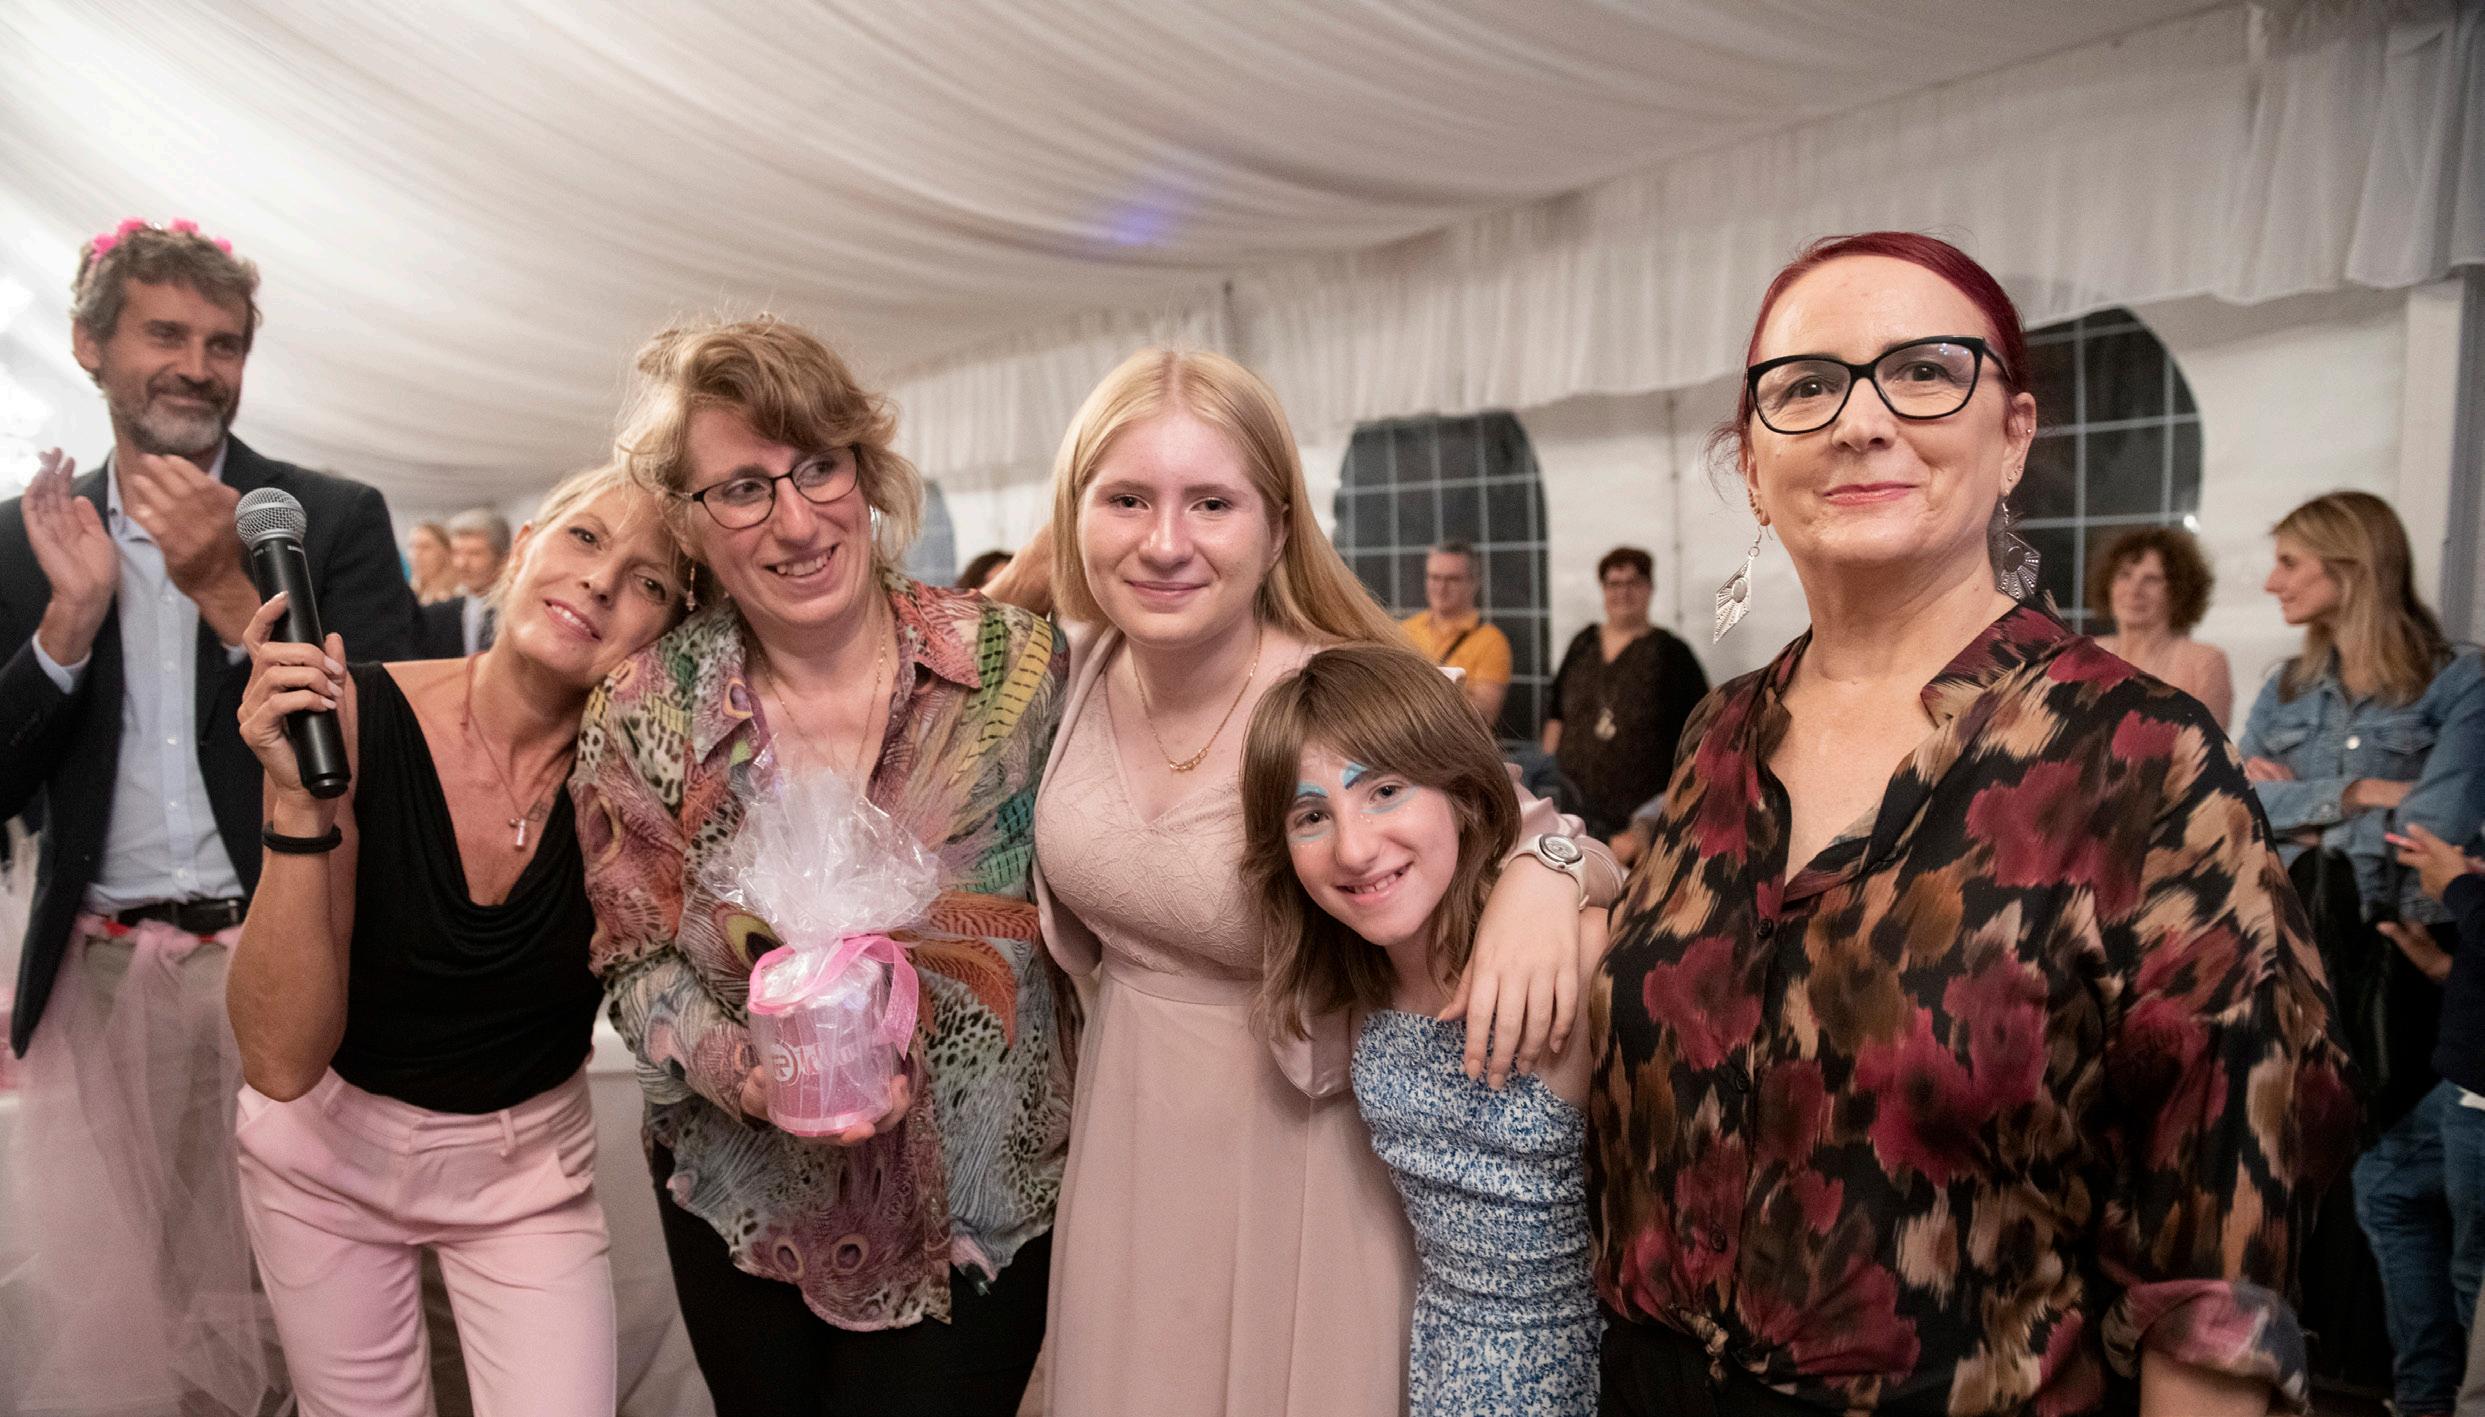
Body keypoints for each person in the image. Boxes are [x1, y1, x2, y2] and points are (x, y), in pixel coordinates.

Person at [1590, 231, 2354, 1416]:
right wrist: (1545, 865)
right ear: (1751, 464)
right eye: (1806, 385)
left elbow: (2213, 1268)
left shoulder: (2137, 756)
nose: (1860, 421)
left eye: (1924, 371)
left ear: (2013, 436)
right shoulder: (1716, 735)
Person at [1020, 347, 1621, 1416]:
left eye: (1212, 502)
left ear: (1278, 528)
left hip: (1308, 1153)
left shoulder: (1340, 691)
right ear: (1073, 515)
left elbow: (1546, 833)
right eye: (1126, 499)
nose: (1165, 542)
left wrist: (1546, 872)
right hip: (1125, 1138)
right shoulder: (1075, 668)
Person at [575, 316, 1068, 1416]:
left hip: (980, 1204)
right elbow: (634, 960)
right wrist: (742, 1073)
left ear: (864, 469)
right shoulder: (646, 711)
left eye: (818, 468)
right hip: (750, 1210)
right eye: (743, 489)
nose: (796, 522)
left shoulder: (1014, 669)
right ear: (689, 520)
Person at [0, 218, 420, 1417]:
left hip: (285, 951)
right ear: (90, 344)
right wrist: (65, 631)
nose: (197, 366)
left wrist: (224, 586)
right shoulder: (21, 538)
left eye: (223, 343)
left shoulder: (327, 515)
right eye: (166, 334)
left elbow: (388, 754)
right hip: (103, 982)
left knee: (320, 1282)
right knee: (152, 1298)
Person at [225, 462, 692, 1416]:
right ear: (523, 552)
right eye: (585, 537)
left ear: (668, 632)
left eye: (649, 580)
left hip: (526, 1176)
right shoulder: (346, 717)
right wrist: (295, 800)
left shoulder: (649, 789)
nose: (602, 580)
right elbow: (279, 1060)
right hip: (323, 1164)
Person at [1242, 643, 1605, 1417]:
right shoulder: (1348, 978)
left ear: (1465, 792)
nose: (1352, 847)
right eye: (1311, 815)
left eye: (1384, 790)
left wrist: (1557, 869)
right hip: (1439, 1365)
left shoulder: (1568, 954)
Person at [2238, 490, 2485, 1417]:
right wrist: (2355, 794)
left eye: (2290, 562)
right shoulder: (2287, 685)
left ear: (2349, 567)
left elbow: (2435, 828)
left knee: (2432, 1204)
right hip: (2302, 954)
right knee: (2352, 1183)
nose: (2272, 582)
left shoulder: (2457, 681)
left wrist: (2301, 798)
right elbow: (2231, 806)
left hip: (2413, 962)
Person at [1541, 547, 1709, 842]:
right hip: (1569, 813)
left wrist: (1651, 823)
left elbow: (1701, 741)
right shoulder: (1583, 643)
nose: (1623, 592)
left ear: (1649, 588)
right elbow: (1556, 717)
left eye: (1633, 583)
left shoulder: (1672, 653)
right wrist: (1546, 784)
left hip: (1638, 826)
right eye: (1614, 584)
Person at [2090, 525, 2233, 726]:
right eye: (2124, 575)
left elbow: (2208, 743)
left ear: (2178, 591)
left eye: (2151, 579)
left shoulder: (2204, 663)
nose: (2134, 590)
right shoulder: (2086, 654)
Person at [1401, 539, 1514, 728]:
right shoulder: (1406, 629)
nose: (1441, 588)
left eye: (1452, 579)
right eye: (1434, 577)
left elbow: (1483, 717)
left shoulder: (1492, 641)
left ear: (1473, 583)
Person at [407, 519, 460, 603]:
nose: (416, 554)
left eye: (425, 547)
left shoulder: (457, 595)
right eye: (412, 546)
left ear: (446, 553)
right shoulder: (408, 593)